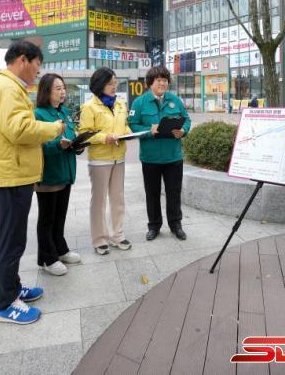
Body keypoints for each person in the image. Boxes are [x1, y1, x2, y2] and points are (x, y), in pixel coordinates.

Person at [0, 41, 64, 325]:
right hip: (8, 178)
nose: (39, 71)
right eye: (38, 64)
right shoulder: (6, 89)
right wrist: (54, 128)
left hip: (12, 175)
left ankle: (13, 288)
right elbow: (19, 130)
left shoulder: (10, 87)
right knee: (11, 242)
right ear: (24, 60)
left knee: (14, 239)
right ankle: (4, 304)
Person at [128, 66, 191, 241]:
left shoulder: (175, 100)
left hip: (173, 157)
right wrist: (149, 130)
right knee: (152, 194)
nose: (162, 83)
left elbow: (186, 120)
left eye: (165, 80)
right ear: (150, 83)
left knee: (174, 193)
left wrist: (183, 131)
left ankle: (176, 225)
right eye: (159, 80)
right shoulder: (139, 103)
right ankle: (154, 226)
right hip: (151, 158)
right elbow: (132, 125)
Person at [79, 67, 132, 255]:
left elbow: (124, 125)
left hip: (119, 157)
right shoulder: (89, 107)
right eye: (110, 83)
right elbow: (84, 134)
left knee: (118, 198)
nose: (114, 86)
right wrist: (104, 137)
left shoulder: (120, 104)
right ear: (100, 84)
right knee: (99, 201)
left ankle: (117, 235)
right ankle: (99, 239)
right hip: (99, 160)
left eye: (115, 83)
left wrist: (128, 133)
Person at [34, 73, 81, 276]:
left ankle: (60, 249)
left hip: (65, 172)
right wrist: (57, 145)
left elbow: (71, 136)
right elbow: (37, 145)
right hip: (49, 174)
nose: (63, 92)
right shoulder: (38, 114)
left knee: (60, 216)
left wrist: (78, 144)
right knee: (47, 218)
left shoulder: (65, 112)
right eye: (58, 88)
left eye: (63, 88)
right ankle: (47, 258)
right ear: (46, 91)